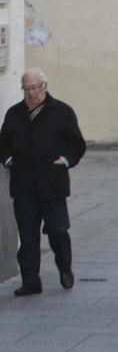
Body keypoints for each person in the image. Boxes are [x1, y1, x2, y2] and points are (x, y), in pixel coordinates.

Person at [0, 69, 85, 296]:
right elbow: (3, 142)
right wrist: (8, 160)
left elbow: (77, 144)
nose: (31, 93)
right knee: (28, 235)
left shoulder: (62, 112)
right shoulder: (14, 113)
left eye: (35, 87)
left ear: (44, 86)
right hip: (23, 184)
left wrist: (65, 160)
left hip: (52, 183)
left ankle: (65, 267)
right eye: (26, 88)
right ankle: (31, 281)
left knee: (58, 230)